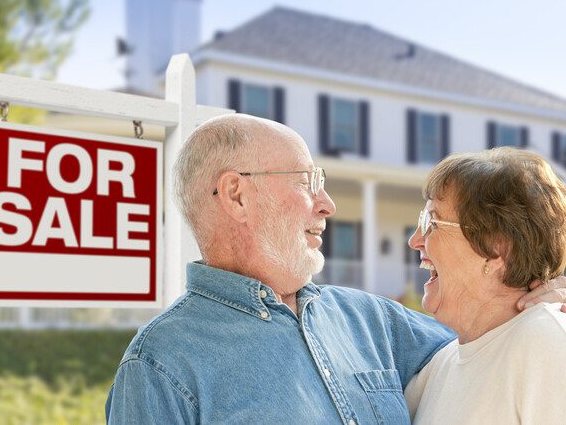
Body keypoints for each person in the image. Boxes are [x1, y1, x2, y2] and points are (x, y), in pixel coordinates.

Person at [106, 115, 564, 424]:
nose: (327, 205)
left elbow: (493, 333)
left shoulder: (372, 322)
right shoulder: (159, 366)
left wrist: (552, 291)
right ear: (236, 195)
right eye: (308, 182)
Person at [405, 147, 566, 424]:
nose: (415, 240)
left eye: (431, 221)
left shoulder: (545, 341)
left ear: (495, 246)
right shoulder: (435, 369)